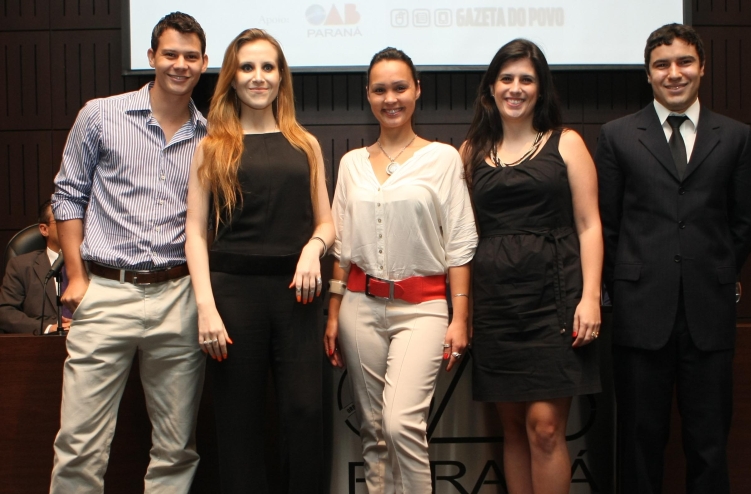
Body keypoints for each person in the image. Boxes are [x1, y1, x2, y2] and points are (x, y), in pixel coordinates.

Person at [595, 23, 751, 494]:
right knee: (639, 442)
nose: (674, 73)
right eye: (661, 65)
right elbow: (607, 224)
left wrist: (717, 268)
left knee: (708, 443)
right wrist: (624, 282)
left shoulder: (735, 136)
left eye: (684, 62)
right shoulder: (618, 136)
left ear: (702, 68)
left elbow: (747, 219)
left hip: (708, 314)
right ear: (647, 74)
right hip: (640, 312)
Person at [49, 12, 209, 493]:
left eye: (191, 56)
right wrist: (76, 278)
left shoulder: (211, 136)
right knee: (79, 443)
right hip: (106, 291)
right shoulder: (100, 114)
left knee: (176, 447)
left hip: (177, 295)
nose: (180, 64)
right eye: (170, 54)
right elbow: (67, 195)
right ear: (151, 57)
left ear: (204, 63)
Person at [184, 28, 333, 493]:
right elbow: (194, 233)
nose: (258, 76)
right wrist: (205, 307)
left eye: (268, 67)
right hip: (232, 298)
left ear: (281, 76)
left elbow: (327, 224)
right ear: (231, 77)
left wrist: (313, 248)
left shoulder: (305, 143)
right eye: (247, 67)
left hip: (298, 297)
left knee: (306, 413)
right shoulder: (212, 146)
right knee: (239, 424)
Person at [323, 47, 478, 494]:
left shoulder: (443, 159)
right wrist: (334, 313)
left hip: (425, 308)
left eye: (399, 87)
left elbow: (461, 243)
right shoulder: (352, 163)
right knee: (373, 431)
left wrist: (460, 317)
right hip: (359, 308)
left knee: (400, 424)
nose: (390, 98)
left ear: (417, 91)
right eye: (380, 89)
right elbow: (343, 249)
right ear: (368, 96)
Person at [460, 39, 603, 494]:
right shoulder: (471, 151)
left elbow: (589, 225)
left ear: (540, 89)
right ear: (491, 89)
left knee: (544, 427)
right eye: (507, 78)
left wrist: (591, 298)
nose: (516, 88)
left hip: (556, 299)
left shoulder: (568, 143)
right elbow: (460, 236)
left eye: (526, 79)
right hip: (496, 303)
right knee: (514, 428)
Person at [0, 200, 71, 334]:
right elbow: (5, 312)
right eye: (62, 220)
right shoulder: (21, 266)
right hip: (42, 345)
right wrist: (49, 328)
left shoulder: (94, 265)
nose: (71, 226)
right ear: (44, 229)